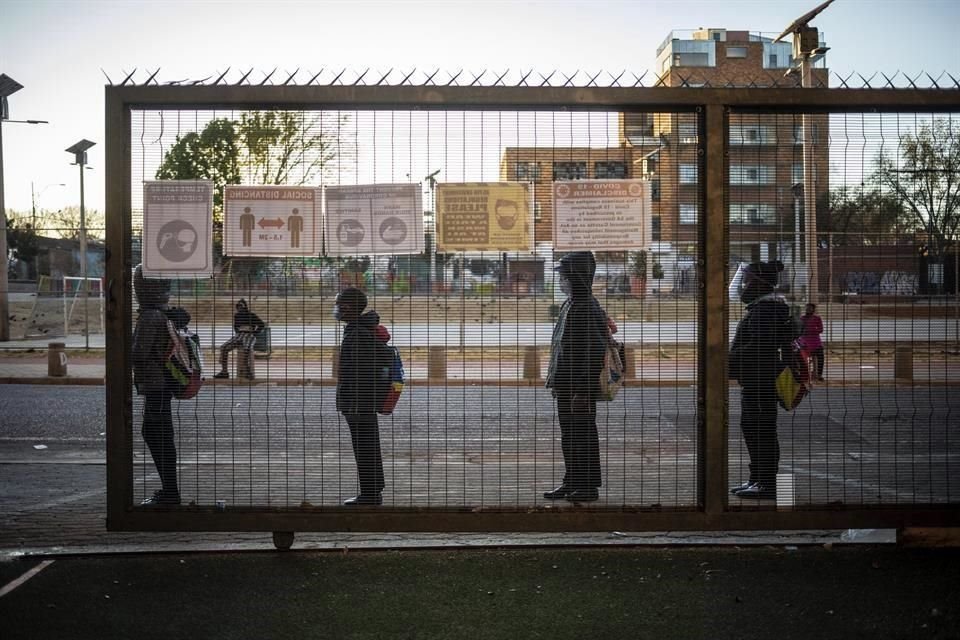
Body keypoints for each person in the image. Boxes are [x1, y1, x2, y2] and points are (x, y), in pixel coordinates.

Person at [544, 251, 608, 503]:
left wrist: (583, 390)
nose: (562, 282)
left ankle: (587, 486)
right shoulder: (571, 303)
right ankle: (571, 481)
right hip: (565, 384)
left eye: (566, 276)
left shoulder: (587, 306)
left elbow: (593, 352)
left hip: (578, 387)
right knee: (570, 435)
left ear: (577, 277)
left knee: (583, 435)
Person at [728, 261, 793, 500]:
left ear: (757, 283)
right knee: (754, 428)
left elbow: (760, 346)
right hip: (758, 378)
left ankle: (767, 483)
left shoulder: (765, 311)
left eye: (747, 280)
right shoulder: (764, 308)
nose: (743, 285)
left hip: (760, 378)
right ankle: (757, 479)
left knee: (760, 430)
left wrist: (726, 359)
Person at [132, 264, 181, 506]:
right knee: (159, 434)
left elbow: (139, 353)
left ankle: (170, 492)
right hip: (161, 385)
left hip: (155, 385)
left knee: (156, 434)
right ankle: (169, 490)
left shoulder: (150, 316)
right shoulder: (162, 313)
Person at [335, 287, 385, 506]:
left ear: (347, 307)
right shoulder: (361, 330)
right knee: (368, 444)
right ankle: (372, 490)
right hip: (363, 400)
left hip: (358, 401)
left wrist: (353, 401)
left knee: (364, 446)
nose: (335, 309)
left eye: (338, 305)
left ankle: (370, 494)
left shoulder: (357, 334)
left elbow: (360, 370)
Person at [213, 299, 265, 380]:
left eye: (241, 307)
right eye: (238, 307)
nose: (240, 309)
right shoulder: (237, 316)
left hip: (249, 335)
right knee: (224, 347)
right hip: (239, 335)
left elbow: (261, 324)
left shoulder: (252, 315)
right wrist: (238, 333)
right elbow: (235, 327)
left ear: (245, 307)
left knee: (246, 349)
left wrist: (254, 332)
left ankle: (248, 372)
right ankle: (224, 372)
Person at [800, 303, 825, 381]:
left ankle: (818, 374)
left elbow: (820, 330)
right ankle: (805, 375)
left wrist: (811, 330)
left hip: (815, 342)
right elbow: (799, 330)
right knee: (801, 358)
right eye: (807, 308)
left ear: (813, 309)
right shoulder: (802, 318)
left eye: (810, 308)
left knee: (820, 356)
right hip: (804, 342)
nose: (808, 309)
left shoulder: (817, 318)